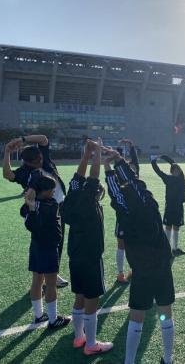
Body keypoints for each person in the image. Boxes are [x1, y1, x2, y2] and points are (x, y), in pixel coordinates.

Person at [104, 149, 175, 364]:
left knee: (137, 316)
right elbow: (133, 183)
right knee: (165, 312)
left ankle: (130, 361)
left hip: (141, 268)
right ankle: (168, 359)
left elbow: (116, 193)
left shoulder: (124, 209)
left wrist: (107, 168)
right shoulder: (149, 201)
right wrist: (118, 161)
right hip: (161, 264)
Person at [61, 139, 114, 355]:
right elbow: (93, 176)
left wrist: (86, 154)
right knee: (92, 299)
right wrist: (97, 152)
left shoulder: (72, 196)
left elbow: (79, 176)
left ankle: (78, 337)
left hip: (75, 253)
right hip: (91, 255)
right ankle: (91, 344)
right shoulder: (89, 202)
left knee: (80, 296)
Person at [3, 135, 68, 288]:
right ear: (27, 162)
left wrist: (23, 140)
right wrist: (7, 152)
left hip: (59, 207)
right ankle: (41, 277)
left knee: (58, 241)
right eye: (36, 161)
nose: (40, 162)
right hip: (42, 212)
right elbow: (8, 175)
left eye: (40, 158)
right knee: (42, 242)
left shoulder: (43, 158)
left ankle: (53, 274)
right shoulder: (25, 172)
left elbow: (44, 139)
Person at [20, 175, 70, 329]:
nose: (54, 191)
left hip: (36, 246)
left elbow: (28, 221)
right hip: (48, 248)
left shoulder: (30, 205)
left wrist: (31, 203)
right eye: (51, 189)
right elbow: (34, 223)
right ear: (43, 191)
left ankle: (38, 315)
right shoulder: (51, 204)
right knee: (50, 284)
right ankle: (53, 320)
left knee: (37, 281)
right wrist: (32, 204)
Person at [151, 154, 185, 256]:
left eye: (178, 170)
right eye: (174, 170)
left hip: (179, 207)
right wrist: (153, 161)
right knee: (168, 227)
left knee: (176, 227)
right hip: (170, 207)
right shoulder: (167, 178)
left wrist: (163, 156)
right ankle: (166, 249)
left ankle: (175, 249)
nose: (177, 172)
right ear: (171, 171)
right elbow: (158, 171)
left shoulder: (181, 177)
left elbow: (172, 162)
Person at [114, 139, 138, 283]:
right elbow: (117, 163)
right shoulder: (120, 181)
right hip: (123, 217)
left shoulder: (137, 182)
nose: (133, 171)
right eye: (130, 169)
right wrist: (118, 148)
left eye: (134, 169)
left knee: (134, 244)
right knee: (121, 245)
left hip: (136, 218)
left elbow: (134, 160)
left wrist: (131, 146)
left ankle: (134, 269)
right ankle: (120, 273)